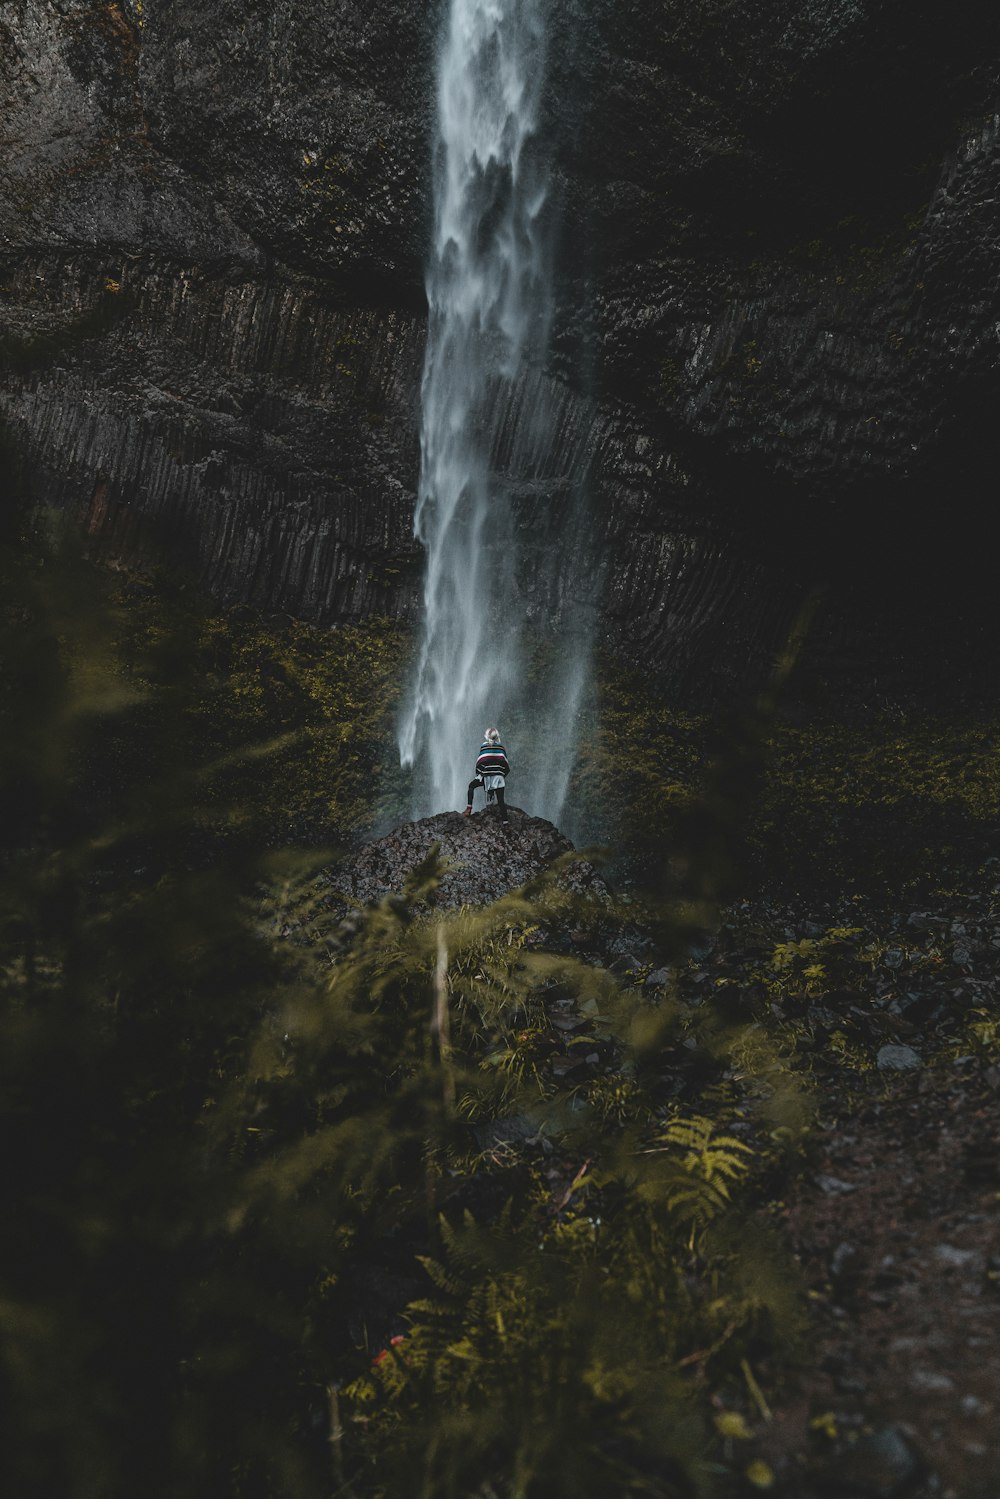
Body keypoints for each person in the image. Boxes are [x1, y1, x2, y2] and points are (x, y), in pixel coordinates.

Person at [463, 728, 510, 821]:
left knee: (471, 786)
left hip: (486, 777)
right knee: (501, 801)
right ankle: (505, 822)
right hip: (498, 778)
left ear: (486, 736)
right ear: (497, 736)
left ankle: (468, 809)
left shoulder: (484, 746)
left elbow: (481, 762)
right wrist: (501, 776)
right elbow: (506, 766)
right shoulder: (501, 747)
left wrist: (480, 774)